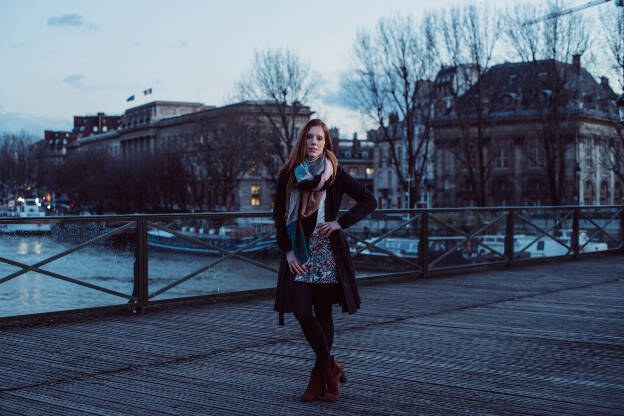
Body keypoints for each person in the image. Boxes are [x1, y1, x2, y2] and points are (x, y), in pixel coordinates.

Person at [272, 119, 377, 402]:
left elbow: (369, 200)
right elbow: (280, 219)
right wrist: (288, 252)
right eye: (309, 138)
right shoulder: (288, 176)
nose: (314, 143)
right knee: (302, 311)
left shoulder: (335, 174)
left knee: (324, 314)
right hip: (300, 254)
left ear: (326, 142)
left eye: (319, 138)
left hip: (328, 253)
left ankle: (320, 378)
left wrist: (340, 222)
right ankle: (331, 367)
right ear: (302, 142)